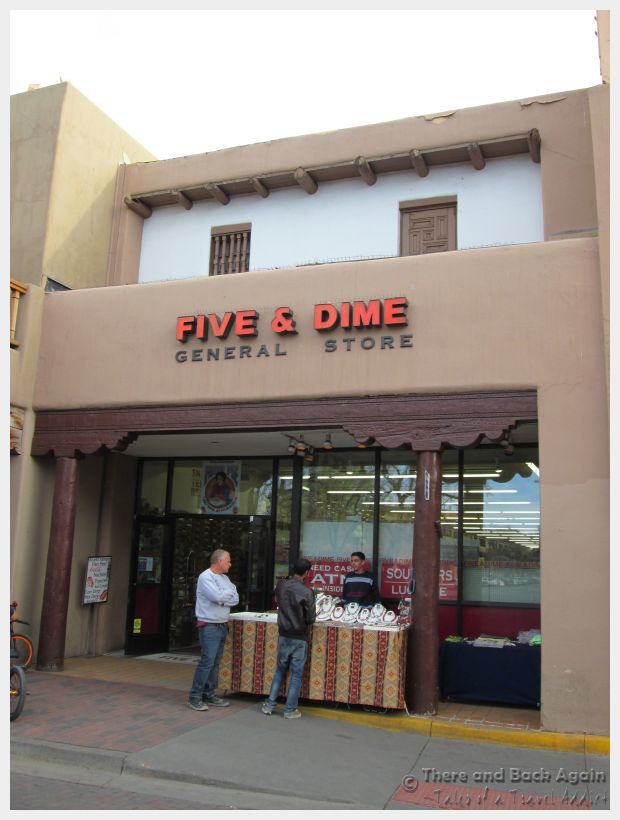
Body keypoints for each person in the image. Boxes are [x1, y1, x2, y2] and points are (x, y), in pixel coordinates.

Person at [261, 557, 316, 719]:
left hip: (284, 634)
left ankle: (269, 704)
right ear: (307, 573)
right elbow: (311, 619)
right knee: (296, 674)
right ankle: (290, 709)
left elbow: (277, 599)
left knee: (280, 670)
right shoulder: (307, 592)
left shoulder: (282, 586)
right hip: (299, 636)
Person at [187, 548, 239, 711]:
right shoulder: (205, 577)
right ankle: (195, 696)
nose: (230, 564)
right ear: (219, 561)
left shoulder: (225, 578)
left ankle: (208, 693)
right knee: (207, 662)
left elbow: (235, 598)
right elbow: (217, 597)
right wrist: (224, 597)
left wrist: (223, 598)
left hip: (222, 625)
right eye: (228, 561)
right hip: (209, 626)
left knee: (215, 662)